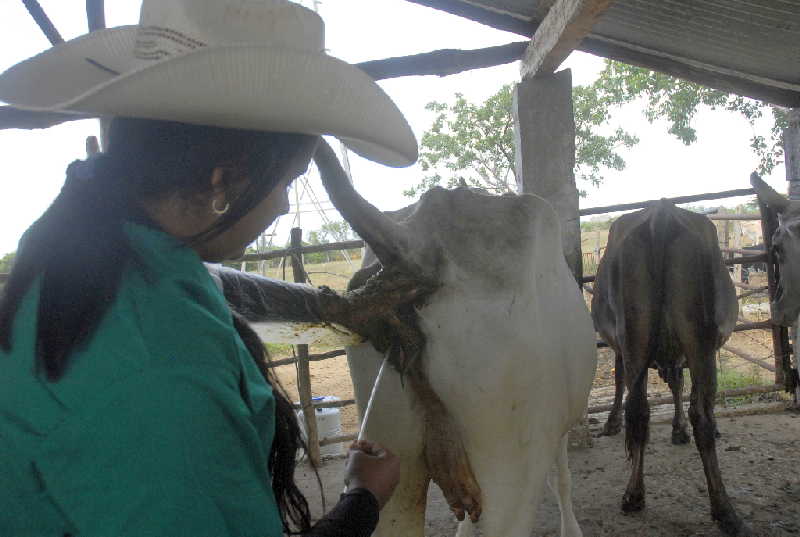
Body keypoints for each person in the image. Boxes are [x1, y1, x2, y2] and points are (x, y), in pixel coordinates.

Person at [0, 1, 422, 536]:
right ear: (223, 180)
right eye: (286, 182)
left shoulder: (80, 248)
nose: (284, 207)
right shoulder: (163, 373)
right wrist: (362, 499)